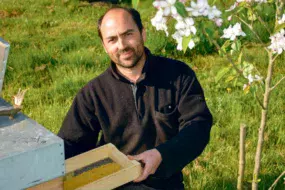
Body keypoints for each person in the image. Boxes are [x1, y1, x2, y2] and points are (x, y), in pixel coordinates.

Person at [58, 6, 213, 190]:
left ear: (143, 33)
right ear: (104, 46)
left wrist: (161, 155)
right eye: (112, 39)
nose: (122, 45)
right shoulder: (93, 93)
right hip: (113, 185)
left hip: (165, 183)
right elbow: (70, 144)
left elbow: (198, 126)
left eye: (128, 34)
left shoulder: (178, 75)